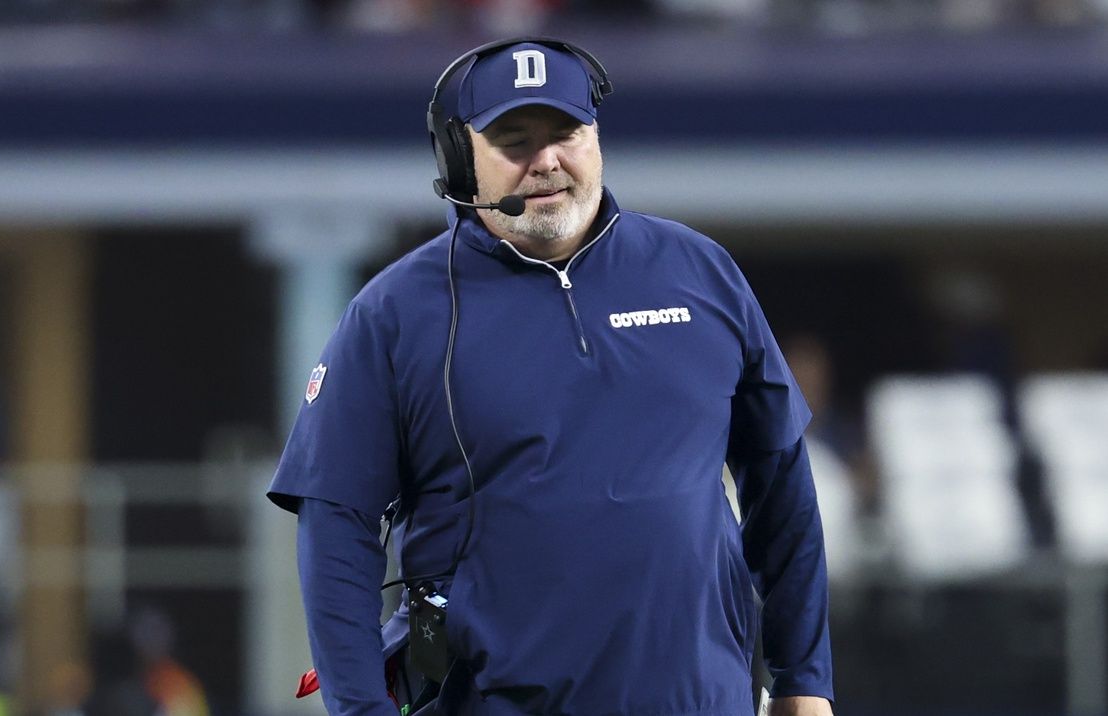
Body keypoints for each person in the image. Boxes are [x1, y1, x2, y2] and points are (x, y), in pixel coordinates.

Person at [269, 37, 834, 716]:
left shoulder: (700, 272)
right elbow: (337, 526)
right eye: (514, 139)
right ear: (459, 159)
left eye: (565, 132)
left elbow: (782, 489)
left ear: (595, 138)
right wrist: (361, 709)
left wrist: (804, 679)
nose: (546, 161)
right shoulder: (395, 315)